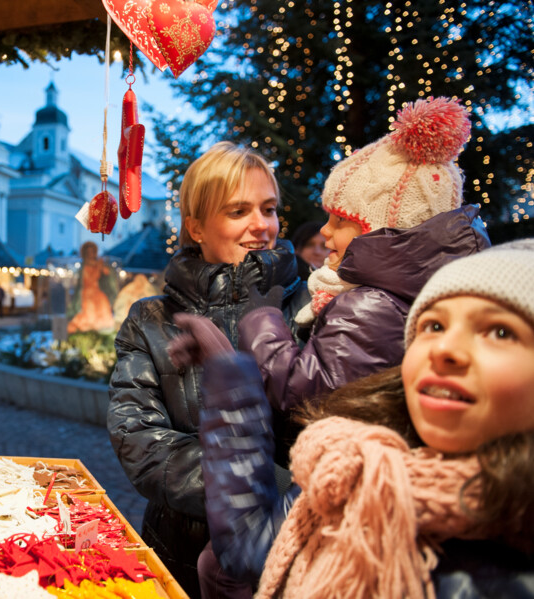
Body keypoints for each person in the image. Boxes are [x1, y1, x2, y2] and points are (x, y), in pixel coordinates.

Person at [192, 240, 534, 597]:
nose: (445, 349)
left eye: (500, 332)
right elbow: (251, 547)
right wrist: (231, 380)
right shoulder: (359, 465)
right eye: (433, 326)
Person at [107, 142, 309, 598]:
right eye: (238, 211)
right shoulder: (151, 319)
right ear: (196, 226)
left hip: (292, 556)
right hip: (179, 550)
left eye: (269, 208)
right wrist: (256, 493)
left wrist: (286, 503)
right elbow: (138, 438)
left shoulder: (312, 305)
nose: (262, 225)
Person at [234, 97, 490, 418]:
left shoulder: (370, 306)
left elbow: (302, 394)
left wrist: (260, 321)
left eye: (340, 220)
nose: (325, 231)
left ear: (382, 230)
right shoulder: (401, 296)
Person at [67, 241, 115, 333]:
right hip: (85, 294)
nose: (90, 254)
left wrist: (103, 268)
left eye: (92, 252)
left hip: (97, 293)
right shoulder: (82, 267)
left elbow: (109, 275)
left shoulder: (99, 264)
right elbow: (84, 281)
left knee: (103, 315)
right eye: (88, 252)